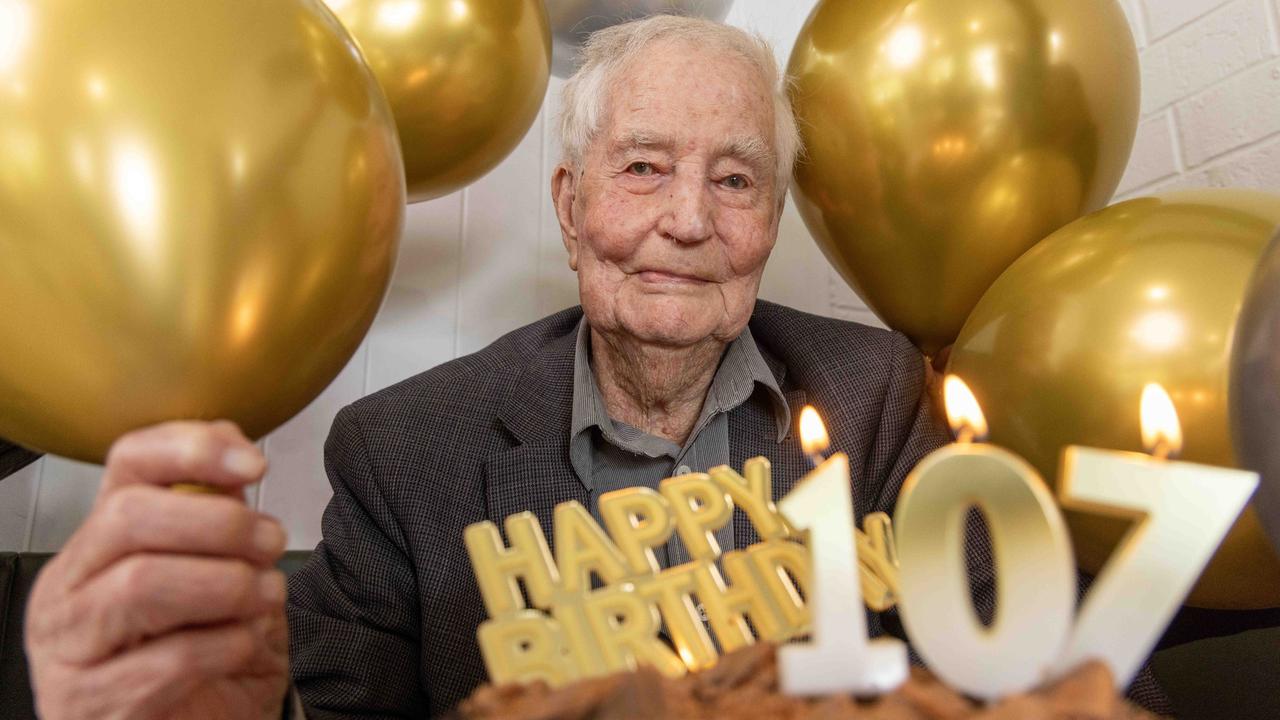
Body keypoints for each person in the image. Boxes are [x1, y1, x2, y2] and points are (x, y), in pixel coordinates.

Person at [22, 16, 1171, 720]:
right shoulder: (402, 453)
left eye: (733, 180)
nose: (687, 220)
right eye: (640, 168)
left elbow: (1058, 666)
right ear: (570, 211)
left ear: (772, 218)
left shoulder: (872, 399)